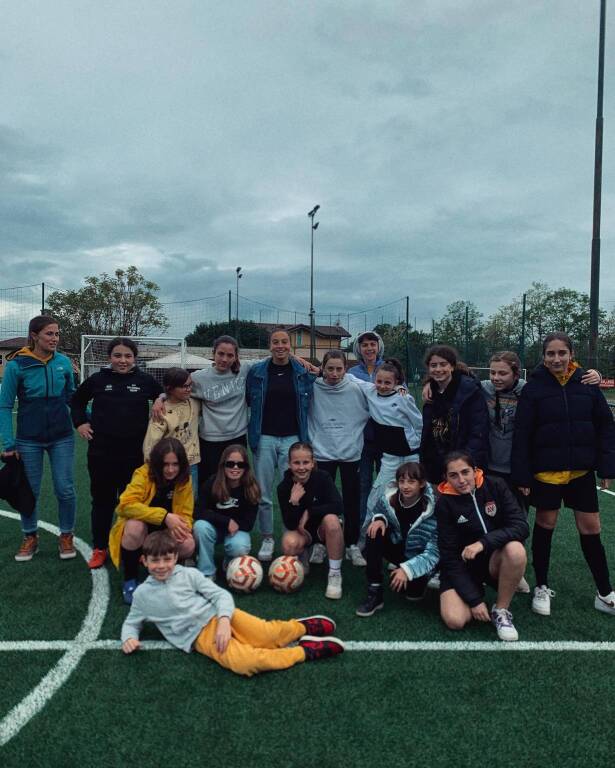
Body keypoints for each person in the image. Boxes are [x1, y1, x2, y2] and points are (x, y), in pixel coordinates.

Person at [121, 530, 345, 676]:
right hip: (201, 637)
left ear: (175, 558)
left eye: (167, 559)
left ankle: (301, 627)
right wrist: (129, 638)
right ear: (144, 561)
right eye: (155, 560)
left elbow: (221, 596)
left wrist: (224, 621)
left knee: (266, 635)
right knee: (246, 663)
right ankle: (304, 651)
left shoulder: (188, 575)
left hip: (221, 616)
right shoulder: (142, 595)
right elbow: (132, 622)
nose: (162, 566)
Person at [511, 332, 615, 617]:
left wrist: (606, 467)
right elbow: (522, 434)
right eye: (551, 354)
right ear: (543, 357)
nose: (556, 359)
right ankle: (542, 586)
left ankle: (605, 592)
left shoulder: (587, 384)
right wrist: (522, 475)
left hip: (581, 471)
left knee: (591, 528)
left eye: (562, 353)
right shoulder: (534, 388)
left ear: (571, 354)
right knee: (546, 524)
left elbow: (605, 426)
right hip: (546, 472)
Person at [71, 337, 163, 569]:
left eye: (128, 356)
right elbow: (77, 401)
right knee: (102, 501)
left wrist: (160, 399)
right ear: (109, 357)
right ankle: (100, 547)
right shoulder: (98, 380)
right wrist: (80, 422)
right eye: (118, 355)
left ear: (135, 358)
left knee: (134, 501)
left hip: (135, 456)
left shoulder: (144, 380)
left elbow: (163, 395)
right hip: (101, 454)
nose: (123, 360)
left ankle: (136, 545)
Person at [0, 315, 77, 561]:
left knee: (65, 489)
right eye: (49, 334)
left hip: (62, 436)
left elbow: (71, 397)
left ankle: (66, 535)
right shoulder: (16, 365)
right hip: (28, 439)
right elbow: (4, 405)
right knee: (29, 491)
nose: (55, 338)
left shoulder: (63, 362)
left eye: (57, 334)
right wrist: (8, 443)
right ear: (35, 336)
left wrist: (89, 418)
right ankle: (30, 536)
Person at [481, 351, 600, 504]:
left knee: (517, 513)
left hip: (518, 468)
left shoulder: (529, 390)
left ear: (516, 374)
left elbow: (559, 386)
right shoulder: (484, 388)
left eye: (502, 373)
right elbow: (460, 381)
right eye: (492, 372)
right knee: (490, 512)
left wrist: (595, 375)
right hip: (489, 467)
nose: (496, 378)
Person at [437, 451, 529, 642]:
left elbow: (521, 526)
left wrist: (483, 543)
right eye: (453, 475)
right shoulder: (444, 503)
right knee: (455, 620)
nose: (461, 480)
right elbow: (449, 557)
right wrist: (474, 601)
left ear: (475, 470)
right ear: (446, 478)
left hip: (493, 560)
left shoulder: (496, 485)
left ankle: (501, 610)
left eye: (465, 472)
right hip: (464, 567)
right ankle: (477, 590)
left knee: (516, 550)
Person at [246, 328, 316, 561]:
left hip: (293, 440)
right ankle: (267, 538)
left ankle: (290, 534)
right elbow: (248, 399)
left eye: (284, 342)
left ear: (290, 345)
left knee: (292, 491)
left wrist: (311, 366)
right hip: (264, 438)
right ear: (270, 345)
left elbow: (326, 378)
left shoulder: (302, 372)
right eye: (275, 342)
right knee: (264, 493)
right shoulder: (257, 372)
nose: (280, 346)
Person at [109, 437, 195, 604]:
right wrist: (164, 516)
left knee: (188, 543)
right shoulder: (144, 474)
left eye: (175, 464)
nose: (170, 470)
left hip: (163, 533)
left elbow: (186, 515)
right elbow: (124, 505)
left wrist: (182, 528)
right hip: (143, 531)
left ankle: (164, 574)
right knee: (134, 527)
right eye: (165, 464)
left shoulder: (184, 479)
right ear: (157, 463)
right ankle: (130, 578)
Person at [307, 349, 370, 566]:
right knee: (320, 499)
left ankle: (351, 544)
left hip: (350, 453)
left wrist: (400, 389)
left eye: (339, 369)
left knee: (352, 500)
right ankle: (319, 543)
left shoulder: (356, 388)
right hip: (322, 452)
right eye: (330, 368)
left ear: (346, 369)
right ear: (322, 368)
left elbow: (380, 392)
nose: (334, 373)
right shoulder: (313, 387)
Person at [356, 462, 439, 617]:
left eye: (411, 481)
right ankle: (374, 590)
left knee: (413, 595)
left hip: (420, 555)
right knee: (374, 531)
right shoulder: (389, 496)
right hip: (399, 548)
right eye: (402, 481)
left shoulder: (435, 505)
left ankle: (424, 577)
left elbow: (435, 551)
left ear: (422, 483)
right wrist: (380, 519)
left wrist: (408, 570)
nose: (405, 486)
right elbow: (379, 510)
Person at [347, 358, 423, 514]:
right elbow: (351, 378)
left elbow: (419, 423)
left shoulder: (403, 398)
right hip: (389, 457)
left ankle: (415, 526)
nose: (382, 386)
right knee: (376, 495)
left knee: (414, 493)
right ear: (374, 379)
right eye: (379, 381)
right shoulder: (370, 390)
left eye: (387, 383)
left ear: (396, 383)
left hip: (411, 455)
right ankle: (368, 527)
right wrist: (319, 371)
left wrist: (416, 444)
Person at [277, 442, 345, 599]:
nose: (301, 467)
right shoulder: (284, 487)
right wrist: (294, 501)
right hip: (303, 532)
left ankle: (335, 574)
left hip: (322, 529)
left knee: (332, 521)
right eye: (296, 463)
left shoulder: (323, 477)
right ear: (289, 464)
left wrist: (310, 511)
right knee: (289, 543)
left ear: (313, 463)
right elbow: (290, 524)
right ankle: (303, 555)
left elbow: (338, 506)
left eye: (306, 462)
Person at [420, 345, 489, 485]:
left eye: (443, 364)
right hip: (435, 465)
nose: (438, 369)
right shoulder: (430, 392)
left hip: (460, 466)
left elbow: (478, 432)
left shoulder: (470, 391)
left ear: (452, 366)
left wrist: (466, 464)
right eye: (433, 365)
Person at [193, 444, 260, 579]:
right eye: (230, 464)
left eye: (240, 464)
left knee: (240, 546)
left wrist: (232, 525)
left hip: (237, 530)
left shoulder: (251, 487)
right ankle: (207, 570)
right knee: (200, 527)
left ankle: (230, 561)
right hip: (214, 528)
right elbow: (198, 511)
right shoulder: (212, 482)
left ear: (246, 467)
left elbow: (248, 523)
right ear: (223, 465)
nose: (235, 468)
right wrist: (226, 521)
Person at [143, 367, 200, 494]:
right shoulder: (161, 412)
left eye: (190, 385)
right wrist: (151, 467)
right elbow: (150, 444)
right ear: (170, 388)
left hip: (191, 463)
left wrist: (160, 397)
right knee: (168, 499)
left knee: (191, 499)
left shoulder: (194, 402)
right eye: (184, 386)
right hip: (170, 466)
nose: (189, 389)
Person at [351, 330, 385, 525]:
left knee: (384, 484)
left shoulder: (389, 368)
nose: (369, 348)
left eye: (373, 344)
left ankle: (383, 525)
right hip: (361, 439)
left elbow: (402, 394)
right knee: (363, 484)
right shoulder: (352, 373)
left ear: (379, 346)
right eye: (365, 345)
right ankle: (362, 527)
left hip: (386, 439)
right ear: (359, 349)